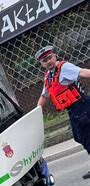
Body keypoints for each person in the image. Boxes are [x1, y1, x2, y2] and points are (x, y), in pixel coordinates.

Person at [36, 46, 90, 179]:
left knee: (86, 138)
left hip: (82, 106)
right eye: (44, 60)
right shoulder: (48, 76)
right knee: (79, 137)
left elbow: (83, 72)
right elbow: (45, 95)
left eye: (49, 58)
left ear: (54, 56)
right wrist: (36, 112)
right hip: (73, 111)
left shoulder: (63, 67)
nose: (48, 61)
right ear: (41, 64)